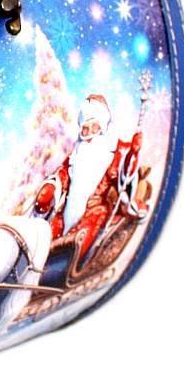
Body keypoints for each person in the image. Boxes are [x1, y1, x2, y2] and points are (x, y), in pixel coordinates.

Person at [33, 94, 146, 260]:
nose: (88, 133)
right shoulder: (77, 152)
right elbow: (64, 174)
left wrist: (133, 154)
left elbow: (126, 174)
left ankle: (69, 262)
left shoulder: (115, 150)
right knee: (42, 242)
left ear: (101, 126)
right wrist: (52, 187)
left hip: (95, 211)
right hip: (66, 214)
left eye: (93, 127)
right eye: (85, 128)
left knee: (74, 244)